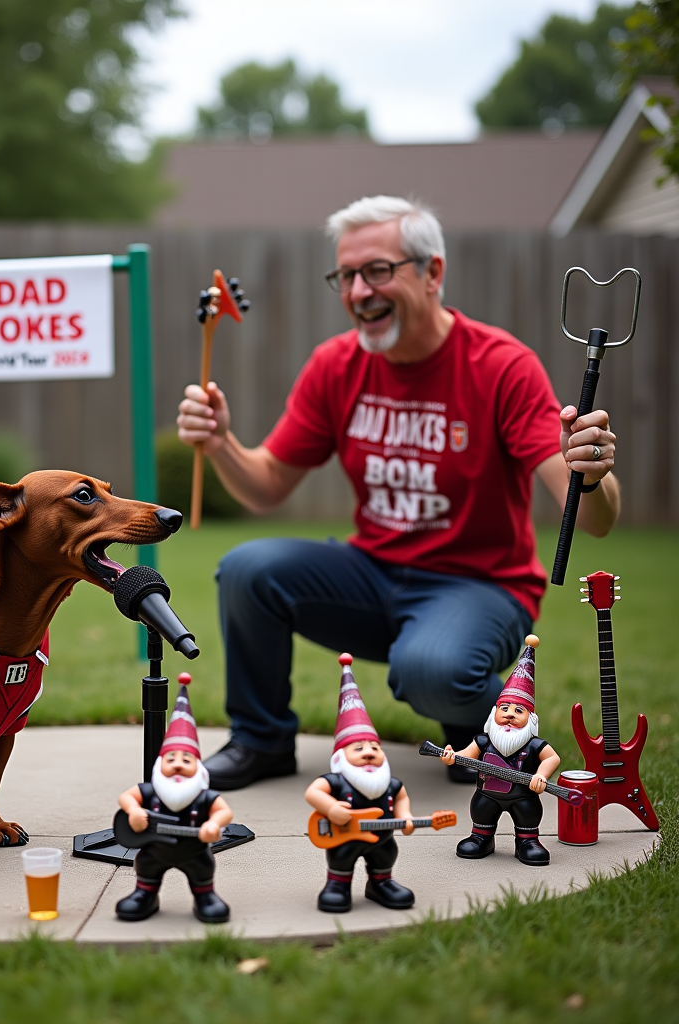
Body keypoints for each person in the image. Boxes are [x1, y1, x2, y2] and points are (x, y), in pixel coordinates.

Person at [176, 195, 620, 791]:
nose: (359, 290)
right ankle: (261, 739)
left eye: (378, 270)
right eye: (347, 276)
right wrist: (223, 442)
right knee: (249, 569)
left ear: (433, 272)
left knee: (431, 670)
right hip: (372, 573)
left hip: (478, 584)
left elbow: (592, 519)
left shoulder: (500, 366)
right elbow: (266, 486)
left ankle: (496, 735)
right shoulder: (335, 365)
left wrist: (591, 472)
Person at [115, 675, 233, 923]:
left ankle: (205, 896)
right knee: (147, 867)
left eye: (186, 760)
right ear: (160, 765)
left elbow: (224, 811)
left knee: (201, 870)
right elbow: (126, 797)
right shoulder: (151, 791)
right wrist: (135, 811)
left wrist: (213, 824)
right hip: (155, 851)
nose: (178, 765)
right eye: (171, 760)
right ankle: (145, 894)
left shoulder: (202, 796)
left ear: (199, 768)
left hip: (195, 851)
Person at [304, 653, 416, 913]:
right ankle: (337, 885)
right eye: (359, 748)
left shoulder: (390, 784)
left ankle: (381, 882)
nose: (368, 752)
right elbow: (313, 792)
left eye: (374, 747)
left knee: (386, 854)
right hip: (345, 837)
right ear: (341, 757)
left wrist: (406, 816)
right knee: (342, 858)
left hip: (382, 837)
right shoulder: (337, 781)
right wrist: (331, 809)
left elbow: (401, 798)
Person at [439, 635, 559, 865]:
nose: (510, 714)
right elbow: (468, 755)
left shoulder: (533, 745)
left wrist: (541, 775)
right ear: (494, 713)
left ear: (531, 719)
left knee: (527, 813)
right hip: (487, 794)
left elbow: (552, 757)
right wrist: (453, 757)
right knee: (482, 810)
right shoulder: (484, 741)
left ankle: (527, 841)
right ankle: (481, 837)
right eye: (504, 708)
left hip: (523, 796)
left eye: (518, 710)